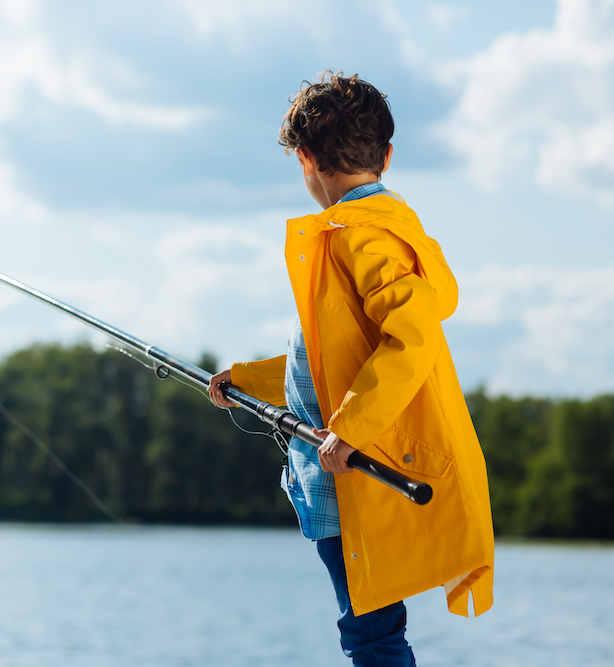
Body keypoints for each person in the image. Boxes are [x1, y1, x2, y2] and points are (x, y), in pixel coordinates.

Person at [207, 72, 494, 666]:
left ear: (306, 158)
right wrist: (250, 381)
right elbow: (334, 357)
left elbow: (409, 339)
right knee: (370, 631)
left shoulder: (362, 237)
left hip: (362, 476)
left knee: (371, 635)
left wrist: (354, 428)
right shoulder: (361, 234)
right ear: (387, 155)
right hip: (343, 475)